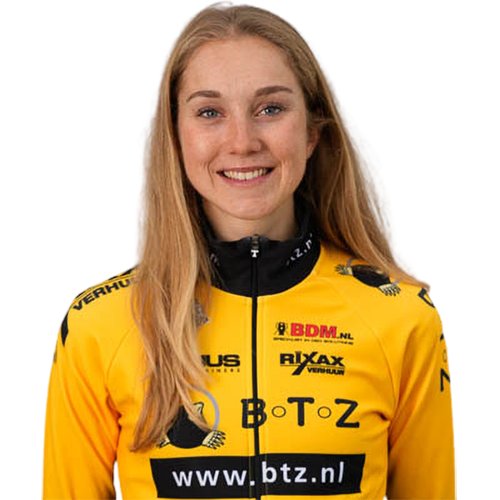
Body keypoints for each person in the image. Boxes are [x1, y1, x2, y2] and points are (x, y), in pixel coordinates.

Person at [42, 6, 456, 500]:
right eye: (209, 113)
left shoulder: (400, 317)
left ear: (312, 133)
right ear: (176, 137)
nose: (242, 142)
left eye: (270, 109)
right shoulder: (103, 324)